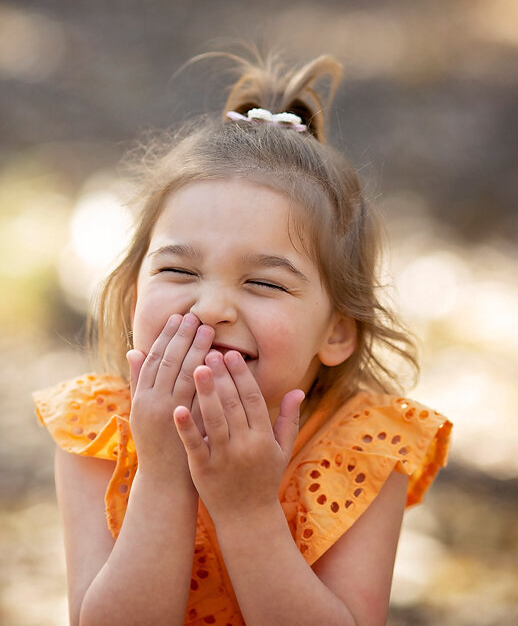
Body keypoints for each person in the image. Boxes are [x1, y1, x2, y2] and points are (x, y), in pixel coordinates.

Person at [33, 51, 452, 626]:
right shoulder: (98, 429)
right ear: (135, 300)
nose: (211, 307)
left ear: (336, 332)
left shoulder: (365, 448)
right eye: (178, 272)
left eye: (262, 282)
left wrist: (249, 510)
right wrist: (161, 474)